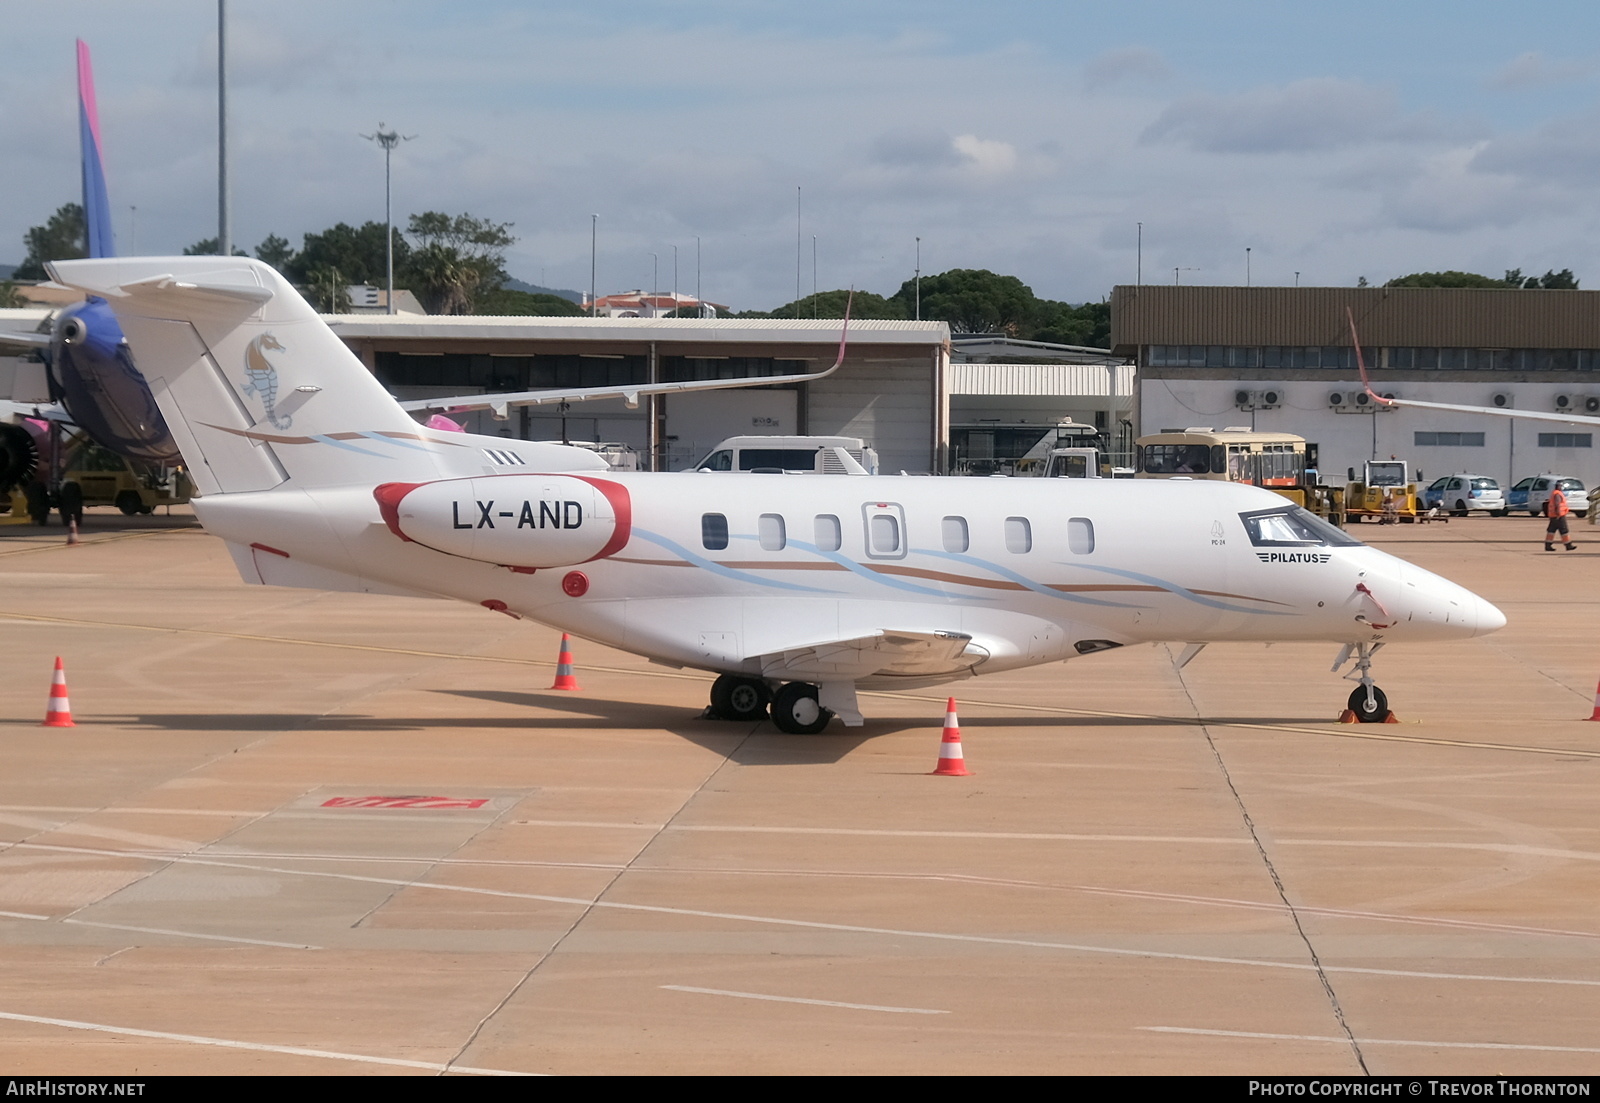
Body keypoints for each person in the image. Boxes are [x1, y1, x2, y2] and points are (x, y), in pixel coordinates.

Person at [1545, 483, 1577, 551]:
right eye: (1561, 486)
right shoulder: (1557, 494)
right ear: (1559, 487)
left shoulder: (1554, 493)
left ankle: (1548, 544)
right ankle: (1568, 545)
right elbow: (1557, 504)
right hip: (1559, 515)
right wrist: (1558, 513)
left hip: (1553, 515)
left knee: (1551, 530)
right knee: (1564, 530)